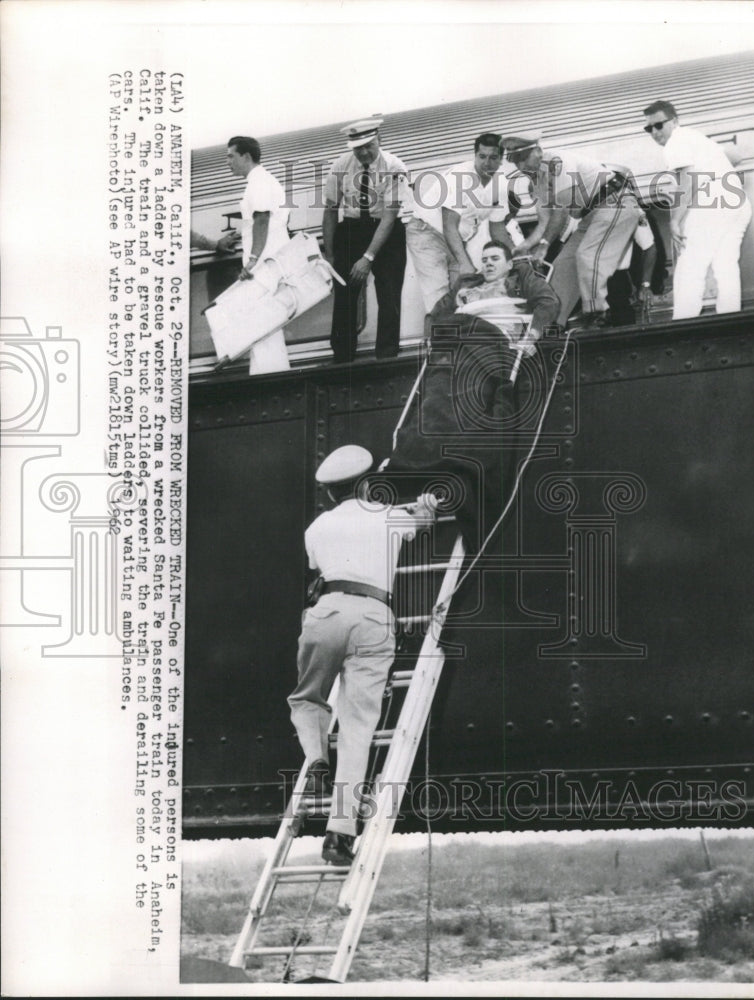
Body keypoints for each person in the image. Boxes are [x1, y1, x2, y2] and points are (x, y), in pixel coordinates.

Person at [287, 445, 436, 865]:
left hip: (326, 614)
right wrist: (424, 509)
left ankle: (315, 756)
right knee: (357, 728)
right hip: (373, 616)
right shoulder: (386, 516)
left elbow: (318, 564)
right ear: (367, 484)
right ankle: (340, 834)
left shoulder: (316, 528)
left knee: (307, 697)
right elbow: (422, 521)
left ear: (330, 494)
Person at [501, 133, 640, 329]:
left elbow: (561, 212)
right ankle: (552, 323)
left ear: (539, 151)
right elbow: (544, 222)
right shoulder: (536, 182)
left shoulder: (557, 162)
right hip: (592, 215)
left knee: (587, 256)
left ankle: (597, 312)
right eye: (516, 161)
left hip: (616, 202)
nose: (522, 166)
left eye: (524, 158)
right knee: (562, 264)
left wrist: (543, 246)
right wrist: (523, 248)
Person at [642, 100, 752, 320]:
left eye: (659, 125)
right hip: (737, 203)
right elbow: (736, 156)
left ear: (674, 121)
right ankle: (731, 321)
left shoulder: (676, 142)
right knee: (725, 264)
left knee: (690, 265)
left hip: (713, 203)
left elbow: (688, 180)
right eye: (649, 128)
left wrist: (675, 221)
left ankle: (683, 324)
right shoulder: (696, 137)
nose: (654, 132)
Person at [322, 117, 408, 362]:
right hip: (351, 231)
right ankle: (342, 359)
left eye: (369, 145)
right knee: (344, 295)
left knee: (389, 294)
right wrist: (330, 256)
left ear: (379, 138)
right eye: (358, 148)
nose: (364, 152)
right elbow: (330, 211)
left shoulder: (395, 167)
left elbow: (389, 218)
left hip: (386, 232)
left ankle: (387, 357)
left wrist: (368, 257)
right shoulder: (340, 165)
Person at [403, 132, 512, 313]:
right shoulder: (460, 177)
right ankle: (435, 341)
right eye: (482, 156)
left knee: (462, 297)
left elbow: (498, 228)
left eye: (493, 158)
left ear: (501, 159)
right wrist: (464, 263)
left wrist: (517, 257)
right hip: (426, 233)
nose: (487, 163)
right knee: (438, 297)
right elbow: (449, 225)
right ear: (474, 155)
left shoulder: (500, 184)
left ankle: (454, 339)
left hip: (455, 240)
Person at [431, 240, 560, 348]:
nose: (488, 263)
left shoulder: (521, 279)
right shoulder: (466, 283)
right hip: (459, 337)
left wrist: (530, 338)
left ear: (509, 265)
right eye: (485, 260)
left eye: (495, 259)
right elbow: (437, 312)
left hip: (492, 338)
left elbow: (548, 302)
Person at [225, 135, 290, 281]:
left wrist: (253, 260)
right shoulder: (261, 180)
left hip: (268, 264)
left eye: (231, 156)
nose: (227, 162)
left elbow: (262, 219)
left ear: (246, 157)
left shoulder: (259, 182)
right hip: (272, 261)